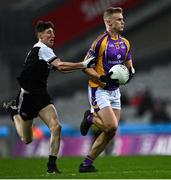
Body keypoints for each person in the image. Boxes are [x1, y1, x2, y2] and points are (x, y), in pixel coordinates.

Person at [2, 20, 96, 174]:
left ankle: (51, 167)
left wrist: (81, 67)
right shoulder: (41, 49)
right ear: (40, 35)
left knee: (56, 127)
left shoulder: (44, 51)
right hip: (27, 97)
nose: (53, 35)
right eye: (49, 33)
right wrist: (84, 65)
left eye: (53, 32)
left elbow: (61, 69)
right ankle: (14, 112)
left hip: (41, 95)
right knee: (27, 139)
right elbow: (60, 65)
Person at [79, 7, 135, 172]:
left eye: (122, 18)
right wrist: (101, 78)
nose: (122, 21)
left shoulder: (125, 43)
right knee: (110, 126)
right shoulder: (100, 42)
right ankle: (89, 118)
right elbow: (85, 67)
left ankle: (87, 164)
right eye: (118, 19)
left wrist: (129, 75)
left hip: (115, 91)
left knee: (111, 132)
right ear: (108, 22)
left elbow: (129, 67)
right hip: (99, 89)